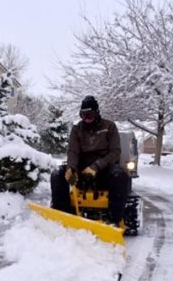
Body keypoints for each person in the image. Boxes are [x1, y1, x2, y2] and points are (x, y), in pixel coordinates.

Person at [51, 95, 128, 225]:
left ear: (97, 113)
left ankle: (114, 218)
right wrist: (71, 168)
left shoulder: (109, 126)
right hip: (82, 170)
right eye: (83, 115)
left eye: (90, 115)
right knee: (58, 174)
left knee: (120, 174)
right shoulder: (76, 130)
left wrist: (96, 166)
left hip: (104, 170)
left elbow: (115, 152)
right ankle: (62, 213)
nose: (87, 119)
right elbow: (73, 151)